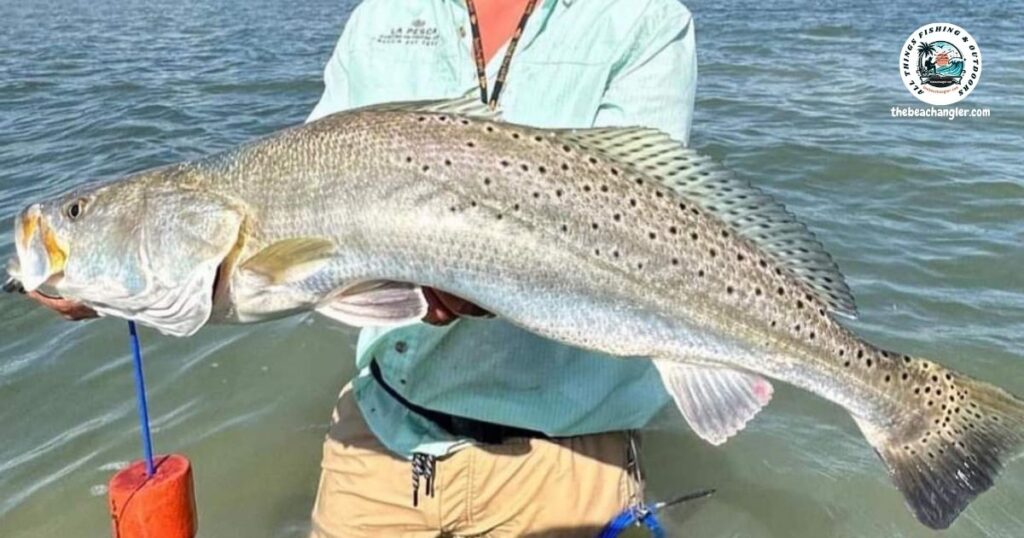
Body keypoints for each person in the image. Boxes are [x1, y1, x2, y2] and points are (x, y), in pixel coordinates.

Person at [26, 1, 697, 536]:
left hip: (562, 459)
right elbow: (320, 174)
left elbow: (640, 207)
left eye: (81, 211)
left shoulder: (644, 19)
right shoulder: (382, 17)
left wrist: (474, 271)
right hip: (380, 438)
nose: (71, 220)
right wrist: (109, 285)